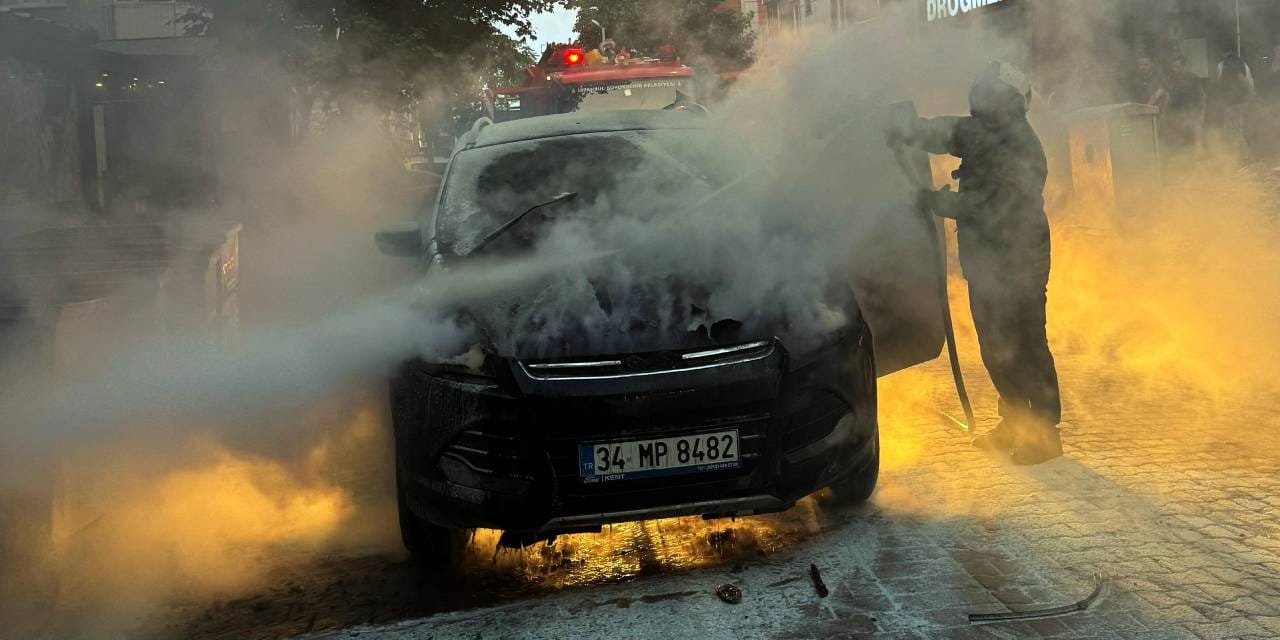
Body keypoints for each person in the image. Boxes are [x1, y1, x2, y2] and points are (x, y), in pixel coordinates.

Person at [891, 61, 1063, 465]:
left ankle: (1044, 434)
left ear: (1008, 103)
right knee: (996, 345)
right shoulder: (983, 131)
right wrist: (903, 125)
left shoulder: (1019, 144)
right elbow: (944, 131)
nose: (981, 104)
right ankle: (1015, 422)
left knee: (1025, 345)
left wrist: (938, 201)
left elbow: (992, 207)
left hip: (1019, 260)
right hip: (986, 261)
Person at [1162, 54, 1207, 154]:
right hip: (1176, 113)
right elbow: (1167, 97)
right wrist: (1164, 115)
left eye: (1177, 67)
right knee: (1175, 138)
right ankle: (1179, 157)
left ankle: (1198, 153)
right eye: (1173, 67)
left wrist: (1201, 112)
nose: (1175, 69)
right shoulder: (1170, 79)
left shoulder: (1192, 78)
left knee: (1195, 132)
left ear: (1183, 66)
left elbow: (1202, 95)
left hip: (1193, 111)